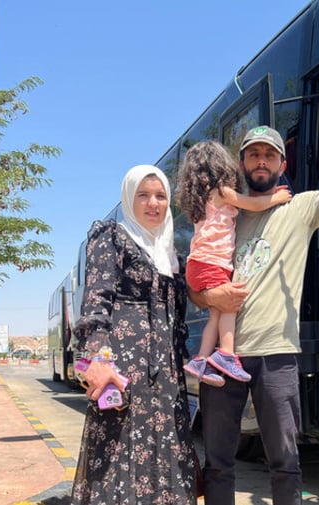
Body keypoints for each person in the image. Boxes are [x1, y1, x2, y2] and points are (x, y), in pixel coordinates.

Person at [191, 61, 319, 505]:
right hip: (225, 358)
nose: (261, 161)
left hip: (277, 354)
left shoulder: (303, 208)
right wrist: (208, 295)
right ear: (241, 163)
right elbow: (196, 281)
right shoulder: (223, 212)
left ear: (282, 162)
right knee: (218, 461)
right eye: (253, 154)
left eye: (269, 155)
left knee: (285, 461)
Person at [70, 165, 197, 504]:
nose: (152, 203)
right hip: (122, 368)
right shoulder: (112, 236)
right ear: (129, 199)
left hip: (167, 376)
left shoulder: (173, 256)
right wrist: (96, 357)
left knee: (165, 454)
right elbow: (96, 300)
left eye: (160, 196)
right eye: (143, 195)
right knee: (119, 457)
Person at [175, 140, 292, 387]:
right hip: (211, 263)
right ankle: (227, 354)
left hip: (198, 265)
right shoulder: (221, 192)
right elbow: (253, 204)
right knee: (229, 306)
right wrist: (277, 197)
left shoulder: (202, 198)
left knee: (215, 315)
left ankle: (201, 360)